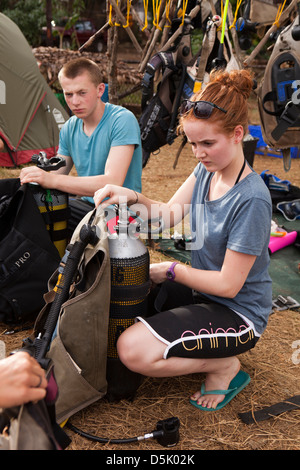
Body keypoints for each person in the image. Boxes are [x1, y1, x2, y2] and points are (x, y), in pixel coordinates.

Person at [94, 68, 272, 411]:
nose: (198, 153)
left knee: (131, 349)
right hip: (201, 293)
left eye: (207, 143)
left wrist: (172, 269)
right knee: (122, 293)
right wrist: (130, 195)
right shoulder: (206, 170)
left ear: (238, 134)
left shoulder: (252, 199)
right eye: (192, 143)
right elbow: (167, 214)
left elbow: (228, 285)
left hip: (239, 314)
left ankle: (225, 366)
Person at [20, 57, 142, 234]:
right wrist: (35, 178)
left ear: (100, 90)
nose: (75, 101)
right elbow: (57, 172)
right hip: (86, 207)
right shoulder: (70, 127)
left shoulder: (122, 120)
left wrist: (51, 179)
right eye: (68, 94)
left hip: (121, 214)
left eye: (82, 93)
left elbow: (112, 181)